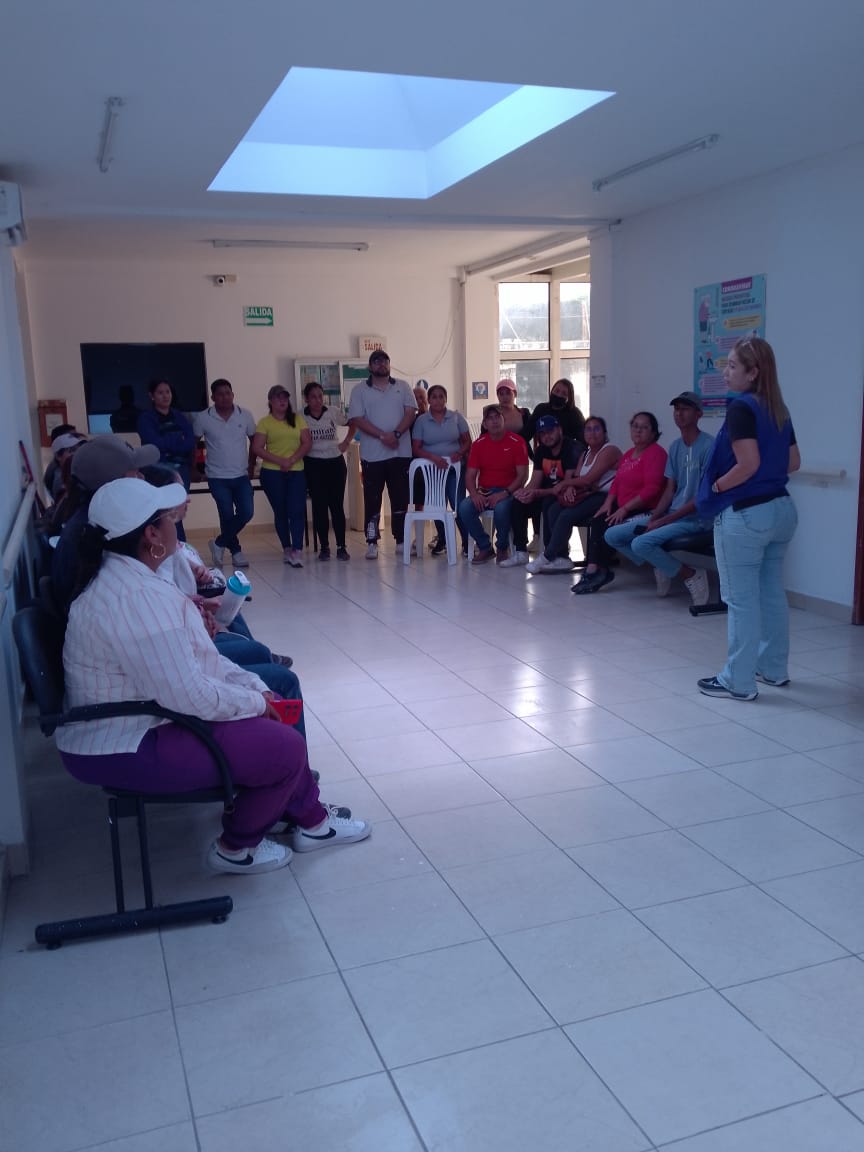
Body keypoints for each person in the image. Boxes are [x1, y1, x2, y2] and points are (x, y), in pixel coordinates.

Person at [56, 477, 371, 873]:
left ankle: (312, 822)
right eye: (169, 518)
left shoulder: (135, 579)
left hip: (145, 722)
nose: (176, 524)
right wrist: (255, 703)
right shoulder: (137, 597)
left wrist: (256, 690)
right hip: (123, 744)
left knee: (275, 712)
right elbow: (188, 695)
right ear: (151, 535)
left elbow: (202, 661)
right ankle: (235, 848)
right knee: (284, 748)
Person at [696, 337, 800, 701]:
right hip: (781, 510)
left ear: (753, 372)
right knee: (770, 592)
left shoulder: (741, 408)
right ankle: (773, 669)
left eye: (732, 366)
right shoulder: (778, 408)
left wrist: (718, 486)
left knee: (740, 600)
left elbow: (748, 464)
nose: (725, 373)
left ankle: (737, 681)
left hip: (746, 514)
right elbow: (793, 463)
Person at [603, 391, 715, 605]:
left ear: (699, 414)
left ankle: (691, 575)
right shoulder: (675, 447)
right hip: (672, 514)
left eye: (685, 409)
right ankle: (664, 565)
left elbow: (702, 498)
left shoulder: (709, 446)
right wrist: (655, 517)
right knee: (612, 535)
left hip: (697, 519)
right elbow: (669, 490)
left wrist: (663, 521)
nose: (679, 413)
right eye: (676, 409)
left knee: (640, 543)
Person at [52, 435, 161, 613]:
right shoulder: (98, 534)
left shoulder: (85, 519)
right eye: (135, 473)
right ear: (115, 484)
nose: (142, 478)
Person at [573, 411, 667, 594]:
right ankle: (594, 569)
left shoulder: (656, 453)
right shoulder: (629, 454)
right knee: (599, 518)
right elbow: (617, 482)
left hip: (646, 508)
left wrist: (624, 509)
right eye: (635, 426)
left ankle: (599, 570)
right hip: (625, 506)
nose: (638, 431)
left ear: (653, 433)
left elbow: (652, 490)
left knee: (609, 526)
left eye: (644, 427)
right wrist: (608, 503)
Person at [526, 415, 622, 573]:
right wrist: (570, 487)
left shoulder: (609, 450)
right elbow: (577, 477)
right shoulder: (585, 454)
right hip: (588, 494)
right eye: (588, 429)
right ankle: (562, 557)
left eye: (596, 429)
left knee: (566, 515)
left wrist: (565, 484)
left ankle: (547, 556)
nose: (592, 433)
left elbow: (589, 479)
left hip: (607, 497)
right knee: (554, 508)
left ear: (604, 433)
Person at [347, 350, 417, 559]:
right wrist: (382, 436)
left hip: (400, 453)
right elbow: (357, 419)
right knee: (372, 500)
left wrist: (396, 434)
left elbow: (410, 413)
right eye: (376, 361)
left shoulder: (402, 387)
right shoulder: (359, 390)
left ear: (389, 364)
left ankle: (401, 540)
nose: (381, 364)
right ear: (370, 367)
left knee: (400, 499)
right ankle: (371, 542)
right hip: (372, 456)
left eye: (385, 361)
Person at [501, 414, 584, 567]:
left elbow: (567, 485)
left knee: (549, 503)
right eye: (542, 434)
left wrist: (538, 493)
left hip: (567, 495)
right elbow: (535, 481)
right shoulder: (541, 451)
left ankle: (554, 554)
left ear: (559, 430)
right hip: (546, 493)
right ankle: (521, 552)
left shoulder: (572, 449)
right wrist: (525, 492)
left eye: (550, 431)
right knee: (517, 502)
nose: (547, 437)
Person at [192, 378, 258, 569]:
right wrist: (194, 468)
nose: (225, 397)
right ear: (213, 397)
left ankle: (219, 543)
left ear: (233, 395)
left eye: (228, 393)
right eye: (220, 394)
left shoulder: (245, 415)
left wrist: (251, 465)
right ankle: (236, 552)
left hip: (241, 475)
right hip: (217, 476)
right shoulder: (204, 417)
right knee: (226, 514)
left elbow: (254, 441)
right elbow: (193, 445)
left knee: (246, 512)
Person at [458, 403, 529, 564]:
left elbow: (523, 476)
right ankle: (485, 547)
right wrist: (474, 494)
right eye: (490, 418)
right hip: (485, 491)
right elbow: (470, 476)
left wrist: (505, 493)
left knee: (501, 509)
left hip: (509, 491)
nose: (494, 421)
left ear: (504, 420)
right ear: (484, 424)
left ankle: (502, 547)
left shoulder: (517, 442)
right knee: (464, 508)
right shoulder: (478, 444)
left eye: (497, 417)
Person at [252, 385, 311, 567]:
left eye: (285, 397)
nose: (282, 401)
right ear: (270, 401)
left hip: (296, 470)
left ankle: (297, 550)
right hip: (272, 473)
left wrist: (291, 460)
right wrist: (280, 461)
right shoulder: (265, 422)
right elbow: (257, 448)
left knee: (296, 510)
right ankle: (286, 547)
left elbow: (307, 442)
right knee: (281, 511)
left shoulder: (297, 419)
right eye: (278, 398)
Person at [411, 384, 471, 555]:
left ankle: (466, 543)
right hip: (433, 471)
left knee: (458, 504)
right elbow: (416, 448)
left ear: (446, 399)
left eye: (441, 396)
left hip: (454, 470)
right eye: (434, 397)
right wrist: (434, 459)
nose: (438, 400)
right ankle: (442, 541)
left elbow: (467, 441)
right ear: (429, 400)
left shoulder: (456, 417)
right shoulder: (421, 421)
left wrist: (459, 453)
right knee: (437, 506)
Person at [137, 379, 196, 540]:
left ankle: (179, 546)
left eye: (168, 392)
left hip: (181, 470)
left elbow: (189, 442)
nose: (165, 396)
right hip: (159, 470)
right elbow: (154, 443)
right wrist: (177, 439)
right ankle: (172, 545)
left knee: (179, 510)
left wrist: (168, 442)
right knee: (164, 512)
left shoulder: (180, 416)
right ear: (152, 396)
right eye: (160, 393)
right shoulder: (146, 418)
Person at [302, 382, 352, 561]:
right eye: (313, 397)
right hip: (313, 463)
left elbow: (353, 423)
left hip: (335, 462)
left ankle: (341, 546)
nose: (317, 400)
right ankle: (324, 547)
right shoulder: (300, 416)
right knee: (319, 505)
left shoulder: (332, 411)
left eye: (320, 396)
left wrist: (346, 442)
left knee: (336, 505)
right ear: (306, 399)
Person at [525, 378, 586, 446]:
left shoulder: (575, 414)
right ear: (552, 391)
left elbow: (583, 439)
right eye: (557, 391)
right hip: (544, 450)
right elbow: (527, 433)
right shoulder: (541, 409)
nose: (559, 395)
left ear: (569, 398)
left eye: (564, 393)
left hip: (567, 451)